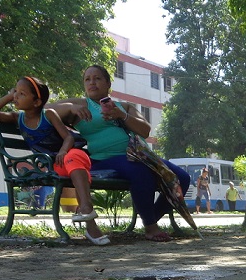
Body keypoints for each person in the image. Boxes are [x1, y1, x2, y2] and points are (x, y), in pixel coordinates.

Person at [53, 65, 190, 242]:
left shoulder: (125, 106)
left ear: (108, 83)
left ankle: (151, 217)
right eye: (87, 79)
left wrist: (121, 115)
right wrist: (70, 108)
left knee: (183, 178)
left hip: (139, 155)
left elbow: (145, 130)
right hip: (104, 159)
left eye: (97, 78)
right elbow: (45, 110)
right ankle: (150, 227)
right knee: (140, 171)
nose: (92, 82)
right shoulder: (81, 104)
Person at [0, 76, 109, 245]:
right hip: (53, 166)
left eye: (21, 93)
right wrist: (8, 96)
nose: (16, 97)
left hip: (71, 156)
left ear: (36, 102)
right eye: (16, 92)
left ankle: (86, 210)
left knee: (74, 158)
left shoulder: (48, 114)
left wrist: (63, 151)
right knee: (76, 169)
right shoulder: (17, 118)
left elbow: (69, 138)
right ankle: (90, 222)